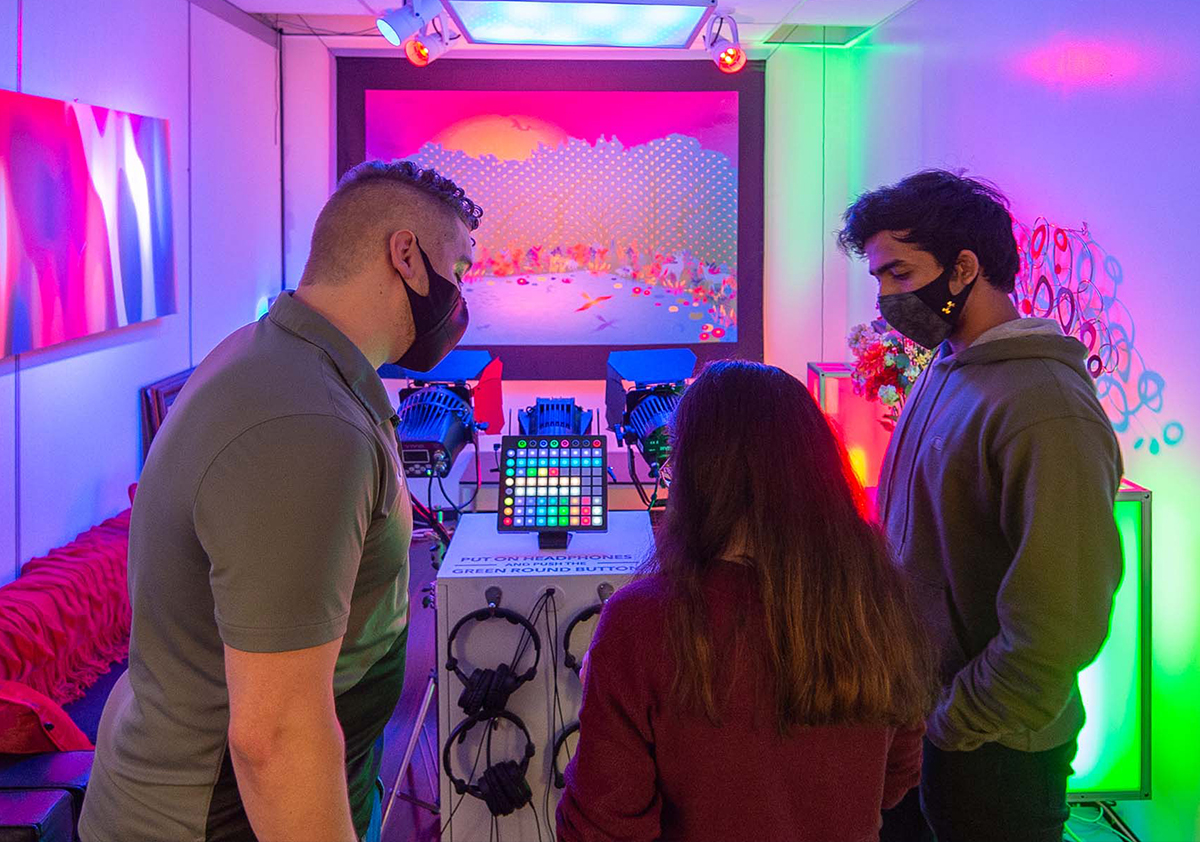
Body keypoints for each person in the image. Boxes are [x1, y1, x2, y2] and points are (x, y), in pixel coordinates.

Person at [79, 160, 481, 842]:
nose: (463, 296)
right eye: (460, 270)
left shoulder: (279, 362)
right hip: (220, 821)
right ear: (406, 257)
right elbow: (276, 738)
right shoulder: (307, 423)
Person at [838, 169, 1123, 842]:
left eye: (900, 274)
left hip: (996, 755)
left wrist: (952, 721)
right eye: (878, 278)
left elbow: (1062, 625)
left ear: (965, 268)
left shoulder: (1046, 406)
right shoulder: (944, 366)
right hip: (923, 726)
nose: (885, 298)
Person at [556, 360, 936, 842]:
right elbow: (896, 779)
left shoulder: (641, 622)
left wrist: (604, 683)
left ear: (696, 477)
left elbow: (601, 826)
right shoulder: (878, 600)